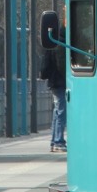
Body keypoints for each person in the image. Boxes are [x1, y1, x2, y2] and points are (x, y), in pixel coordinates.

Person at [39, 25, 67, 153]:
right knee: (61, 112)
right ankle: (58, 141)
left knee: (57, 112)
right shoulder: (62, 44)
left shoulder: (53, 44)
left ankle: (55, 140)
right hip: (60, 82)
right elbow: (62, 65)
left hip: (54, 82)